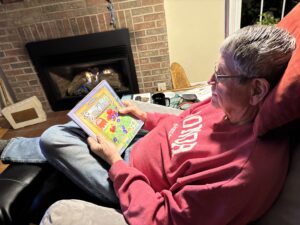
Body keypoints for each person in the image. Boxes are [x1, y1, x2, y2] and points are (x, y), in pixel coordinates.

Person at [0, 25, 296, 225]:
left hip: (133, 184)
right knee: (82, 123)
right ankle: (14, 147)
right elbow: (185, 122)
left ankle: (15, 148)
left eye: (220, 77)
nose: (209, 83)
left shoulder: (239, 176)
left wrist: (114, 162)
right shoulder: (231, 104)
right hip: (134, 147)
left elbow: (161, 217)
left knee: (54, 138)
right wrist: (145, 118)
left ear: (257, 90)